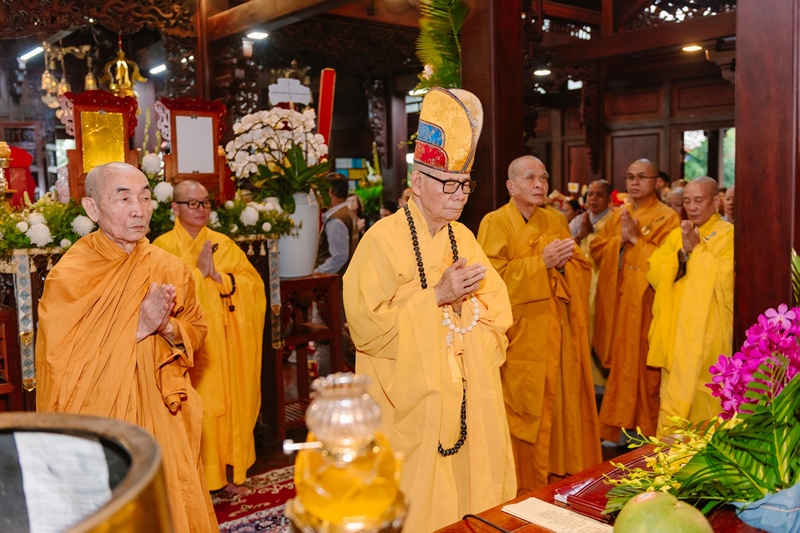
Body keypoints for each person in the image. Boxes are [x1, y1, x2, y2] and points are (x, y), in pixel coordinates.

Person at [344, 87, 516, 531]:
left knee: (472, 486)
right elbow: (365, 324)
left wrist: (464, 310)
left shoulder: (465, 237)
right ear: (417, 183)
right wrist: (436, 298)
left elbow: (498, 310)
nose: (459, 195)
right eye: (449, 184)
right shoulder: (381, 239)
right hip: (406, 398)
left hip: (465, 390)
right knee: (417, 498)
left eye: (465, 185)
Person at [36, 162, 218, 532]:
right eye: (123, 198)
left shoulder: (169, 268)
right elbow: (59, 366)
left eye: (146, 197)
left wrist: (166, 326)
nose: (139, 209)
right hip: (104, 422)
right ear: (92, 209)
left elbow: (197, 331)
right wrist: (138, 327)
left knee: (169, 505)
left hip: (161, 414)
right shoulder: (69, 277)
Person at [477, 155, 601, 492]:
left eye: (543, 178)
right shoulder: (494, 222)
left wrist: (561, 267)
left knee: (558, 404)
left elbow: (579, 267)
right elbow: (490, 280)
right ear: (510, 186)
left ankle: (558, 476)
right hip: (519, 334)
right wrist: (539, 264)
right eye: (530, 178)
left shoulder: (556, 220)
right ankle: (517, 484)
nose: (539, 184)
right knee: (522, 408)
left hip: (555, 328)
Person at [153, 180, 266, 493]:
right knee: (192, 406)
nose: (200, 209)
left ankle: (224, 477)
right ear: (174, 208)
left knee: (223, 405)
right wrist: (198, 277)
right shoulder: (161, 248)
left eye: (205, 203)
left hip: (222, 343)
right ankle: (194, 483)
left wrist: (217, 276)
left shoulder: (221, 243)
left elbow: (253, 287)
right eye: (192, 203)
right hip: (182, 345)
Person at [591, 158, 680, 444]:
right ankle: (617, 427)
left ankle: (648, 430)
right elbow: (596, 246)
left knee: (647, 370)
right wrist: (619, 242)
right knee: (622, 363)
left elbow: (669, 261)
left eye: (642, 176)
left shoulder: (667, 217)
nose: (635, 182)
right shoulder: (618, 215)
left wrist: (636, 243)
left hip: (649, 304)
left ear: (656, 181)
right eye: (630, 177)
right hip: (622, 301)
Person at [647, 177, 733, 436]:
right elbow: (654, 271)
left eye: (699, 200)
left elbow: (727, 279)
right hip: (677, 329)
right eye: (687, 202)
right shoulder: (676, 236)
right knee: (675, 390)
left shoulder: (729, 236)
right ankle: (673, 460)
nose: (693, 207)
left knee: (706, 393)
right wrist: (682, 255)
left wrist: (698, 252)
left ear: (715, 201)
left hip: (709, 331)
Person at [570, 180, 614, 389]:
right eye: (590, 195)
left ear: (608, 199)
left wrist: (593, 235)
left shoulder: (614, 221)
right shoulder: (578, 221)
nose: (593, 199)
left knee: (600, 330)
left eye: (599, 195)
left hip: (603, 286)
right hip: (580, 285)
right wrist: (581, 234)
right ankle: (583, 378)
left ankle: (600, 382)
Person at [316, 174, 359, 276]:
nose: (319, 196)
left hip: (335, 282)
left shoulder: (336, 220)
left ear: (330, 192)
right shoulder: (347, 213)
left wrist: (317, 272)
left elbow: (339, 257)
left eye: (322, 192)